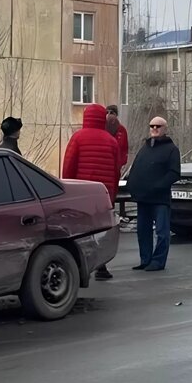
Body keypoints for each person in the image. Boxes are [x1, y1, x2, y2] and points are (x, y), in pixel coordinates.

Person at [62, 103, 122, 280]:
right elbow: (116, 170)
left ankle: (81, 267)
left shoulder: (77, 138)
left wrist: (67, 190)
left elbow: (69, 166)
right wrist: (112, 195)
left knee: (81, 230)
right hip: (103, 195)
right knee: (100, 230)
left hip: (81, 194)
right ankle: (101, 266)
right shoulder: (111, 141)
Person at [126, 116, 181, 272]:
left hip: (160, 199)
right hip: (143, 198)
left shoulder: (171, 149)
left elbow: (174, 173)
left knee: (162, 232)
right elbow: (135, 168)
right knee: (143, 231)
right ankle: (145, 259)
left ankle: (158, 261)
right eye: (152, 126)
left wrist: (158, 186)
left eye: (158, 126)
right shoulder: (145, 148)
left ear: (165, 129)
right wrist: (131, 185)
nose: (154, 129)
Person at [105, 105, 129, 172]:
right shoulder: (102, 128)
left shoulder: (121, 130)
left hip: (116, 166)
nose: (109, 115)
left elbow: (124, 148)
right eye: (107, 112)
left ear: (116, 115)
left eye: (111, 113)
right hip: (104, 163)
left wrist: (120, 163)